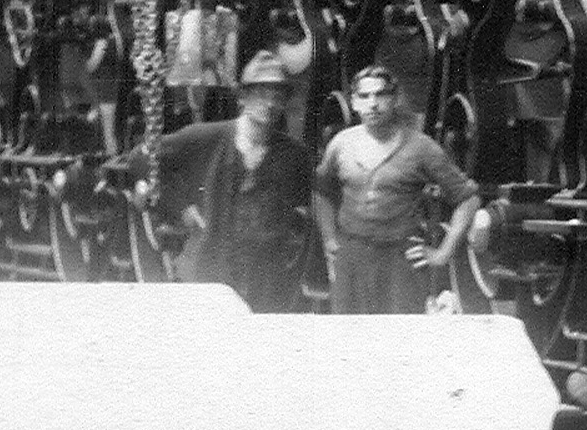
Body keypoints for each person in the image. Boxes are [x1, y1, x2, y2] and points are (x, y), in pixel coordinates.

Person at [146, 49, 315, 312]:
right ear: (242, 97)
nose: (270, 103)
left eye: (278, 95)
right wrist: (182, 206)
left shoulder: (295, 155)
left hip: (264, 278)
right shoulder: (207, 137)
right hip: (210, 269)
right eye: (261, 94)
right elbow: (143, 157)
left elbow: (301, 214)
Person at [312, 64, 473, 314]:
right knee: (347, 332)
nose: (373, 104)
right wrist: (329, 238)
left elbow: (468, 199)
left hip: (399, 260)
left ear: (395, 99)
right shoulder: (341, 144)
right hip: (351, 257)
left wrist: (442, 253)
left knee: (398, 334)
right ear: (354, 102)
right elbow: (321, 192)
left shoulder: (421, 148)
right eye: (364, 96)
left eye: (381, 94)